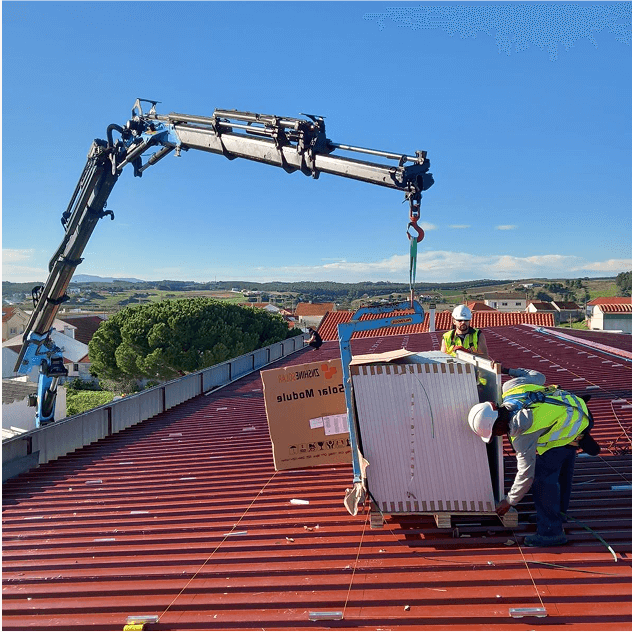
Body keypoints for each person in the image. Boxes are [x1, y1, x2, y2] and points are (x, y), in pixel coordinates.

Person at [467, 367, 599, 547]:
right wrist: (510, 370)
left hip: (570, 427)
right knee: (561, 470)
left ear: (499, 422)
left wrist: (509, 501)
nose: (497, 435)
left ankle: (551, 532)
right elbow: (538, 376)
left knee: (542, 478)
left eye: (495, 432)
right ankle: (555, 512)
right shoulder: (511, 388)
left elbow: (525, 475)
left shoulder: (521, 432)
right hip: (577, 408)